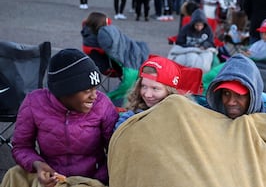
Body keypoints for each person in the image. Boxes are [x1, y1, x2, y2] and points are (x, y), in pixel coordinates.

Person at [0, 49, 118, 187]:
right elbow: (21, 146)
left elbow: (116, 151)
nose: (94, 95)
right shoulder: (34, 103)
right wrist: (38, 164)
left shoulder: (103, 105)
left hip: (90, 180)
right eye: (87, 90)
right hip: (51, 178)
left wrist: (99, 179)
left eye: (95, 88)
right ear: (64, 91)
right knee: (15, 175)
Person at [114, 55, 181, 129]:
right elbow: (118, 134)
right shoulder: (131, 116)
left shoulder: (182, 117)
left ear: (170, 91)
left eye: (155, 88)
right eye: (144, 86)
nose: (147, 94)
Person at [206, 53, 266, 119]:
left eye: (239, 94)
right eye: (226, 93)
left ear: (253, 97)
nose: (231, 102)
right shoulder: (207, 115)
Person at [168, 8, 216, 73]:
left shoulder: (208, 29)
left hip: (202, 50)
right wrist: (192, 47)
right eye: (197, 25)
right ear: (193, 24)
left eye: (201, 25)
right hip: (186, 50)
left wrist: (205, 45)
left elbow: (211, 42)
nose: (199, 27)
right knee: (180, 60)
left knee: (206, 61)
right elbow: (179, 43)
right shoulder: (186, 28)